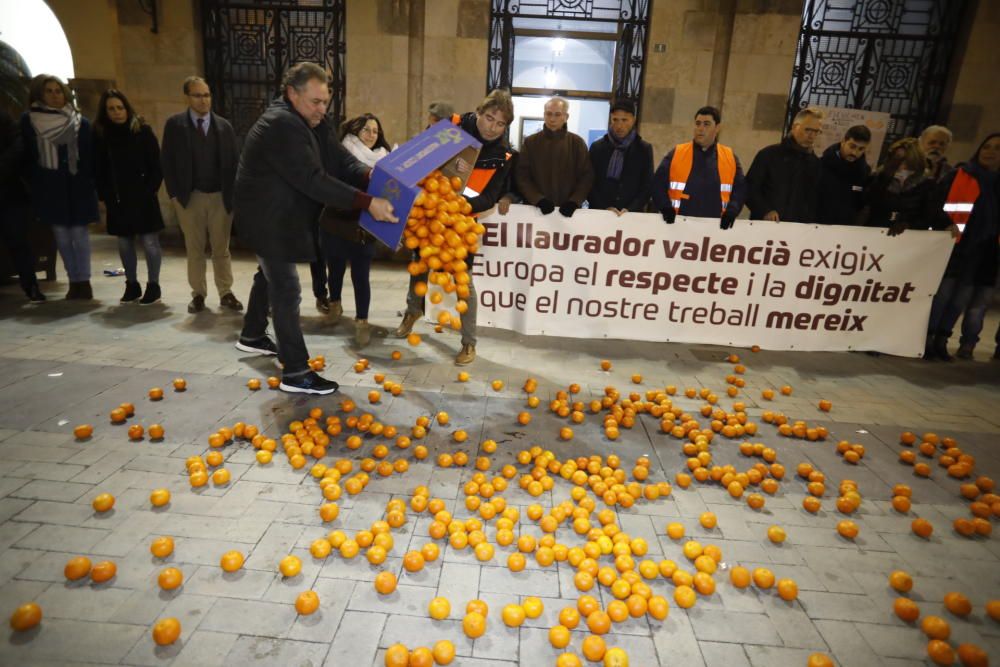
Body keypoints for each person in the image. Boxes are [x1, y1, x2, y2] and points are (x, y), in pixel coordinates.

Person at [234, 62, 397, 395]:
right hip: (266, 218)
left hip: (280, 213)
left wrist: (369, 176)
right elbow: (314, 180)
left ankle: (251, 335)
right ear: (292, 94)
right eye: (315, 102)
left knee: (268, 275)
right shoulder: (281, 125)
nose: (323, 109)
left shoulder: (312, 121)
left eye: (326, 101)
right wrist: (369, 202)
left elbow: (339, 160)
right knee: (287, 288)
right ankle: (295, 372)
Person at [395, 89, 516, 365]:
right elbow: (419, 158)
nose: (492, 127)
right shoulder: (451, 126)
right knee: (419, 267)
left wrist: (456, 206)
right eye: (489, 118)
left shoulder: (504, 156)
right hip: (429, 213)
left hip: (460, 221)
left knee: (463, 282)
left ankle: (469, 343)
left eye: (500, 124)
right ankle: (412, 312)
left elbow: (489, 197)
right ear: (479, 111)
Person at [161, 76, 242, 314]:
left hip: (219, 196)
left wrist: (233, 195)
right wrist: (175, 194)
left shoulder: (223, 126)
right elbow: (167, 161)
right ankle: (198, 294)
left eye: (206, 95)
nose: (203, 100)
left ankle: (225, 292)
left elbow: (235, 162)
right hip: (190, 197)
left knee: (221, 248)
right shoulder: (175, 125)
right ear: (187, 97)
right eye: (197, 95)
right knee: (195, 248)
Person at [317, 113, 392, 345]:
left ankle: (362, 322)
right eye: (366, 130)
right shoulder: (341, 153)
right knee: (335, 270)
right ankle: (335, 306)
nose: (371, 135)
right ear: (354, 132)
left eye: (375, 131)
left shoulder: (385, 161)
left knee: (361, 276)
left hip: (363, 227)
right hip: (336, 221)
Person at [20, 74, 98, 299]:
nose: (55, 95)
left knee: (80, 234)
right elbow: (27, 154)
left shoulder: (79, 122)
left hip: (78, 184)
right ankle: (73, 280)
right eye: (49, 91)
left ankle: (84, 280)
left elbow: (89, 156)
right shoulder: (30, 120)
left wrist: (89, 182)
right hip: (50, 185)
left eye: (58, 90)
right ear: (39, 94)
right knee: (62, 235)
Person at [926, 133, 1000, 361]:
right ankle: (928, 338)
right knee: (943, 295)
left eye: (997, 148)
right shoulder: (961, 175)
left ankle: (942, 339)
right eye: (986, 146)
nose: (990, 151)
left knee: (960, 299)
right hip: (956, 247)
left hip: (984, 253)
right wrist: (946, 222)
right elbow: (937, 205)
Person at [93, 89, 164, 305]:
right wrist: (105, 194)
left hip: (142, 196)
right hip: (118, 198)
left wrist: (149, 189)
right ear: (105, 112)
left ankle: (153, 285)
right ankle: (131, 284)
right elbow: (98, 168)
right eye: (111, 109)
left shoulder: (141, 131)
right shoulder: (102, 135)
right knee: (124, 244)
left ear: (127, 108)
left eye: (120, 107)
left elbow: (156, 165)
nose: (116, 112)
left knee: (150, 243)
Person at [651, 106, 747, 229]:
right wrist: (665, 207)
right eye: (698, 124)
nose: (700, 129)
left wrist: (732, 211)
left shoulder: (729, 157)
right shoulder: (677, 153)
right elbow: (657, 183)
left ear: (717, 128)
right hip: (677, 224)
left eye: (706, 124)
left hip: (715, 227)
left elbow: (740, 189)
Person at [515, 97, 593, 217]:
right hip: (535, 211)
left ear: (566, 117)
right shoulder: (530, 142)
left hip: (570, 212)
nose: (552, 119)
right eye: (549, 114)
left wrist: (574, 201)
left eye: (557, 114)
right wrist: (538, 199)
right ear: (544, 115)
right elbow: (522, 176)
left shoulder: (577, 143)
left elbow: (587, 176)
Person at [746, 107, 823, 222]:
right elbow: (749, 188)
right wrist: (765, 211)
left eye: (816, 131)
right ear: (794, 127)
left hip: (798, 231)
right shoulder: (769, 155)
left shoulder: (815, 163)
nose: (812, 136)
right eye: (808, 130)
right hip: (765, 227)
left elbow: (815, 201)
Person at [0, 109, 45, 302]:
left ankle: (31, 286)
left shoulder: (5, 119)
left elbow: (18, 149)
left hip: (11, 194)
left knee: (19, 243)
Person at [861, 138, 939, 236]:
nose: (901, 166)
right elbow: (866, 202)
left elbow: (929, 215)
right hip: (875, 233)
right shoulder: (880, 177)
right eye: (897, 159)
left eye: (906, 161)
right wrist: (884, 178)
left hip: (907, 238)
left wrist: (908, 224)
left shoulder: (926, 184)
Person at [588, 99, 653, 215]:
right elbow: (589, 182)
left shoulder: (644, 149)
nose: (619, 125)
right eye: (615, 120)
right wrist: (604, 208)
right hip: (599, 213)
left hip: (631, 215)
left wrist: (631, 209)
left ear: (633, 120)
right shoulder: (597, 148)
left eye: (624, 120)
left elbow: (647, 185)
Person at [816, 125, 871, 225]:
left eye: (861, 149)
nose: (854, 152)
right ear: (843, 142)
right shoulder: (821, 165)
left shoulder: (865, 172)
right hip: (817, 227)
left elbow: (861, 205)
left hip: (845, 232)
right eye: (852, 146)